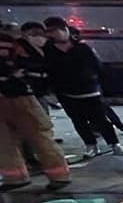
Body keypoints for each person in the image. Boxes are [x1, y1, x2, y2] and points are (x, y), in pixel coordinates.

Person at [42, 16, 123, 158]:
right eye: (51, 31)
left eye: (59, 29)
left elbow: (97, 66)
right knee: (78, 121)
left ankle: (114, 144)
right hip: (65, 92)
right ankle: (91, 145)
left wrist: (95, 81)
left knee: (100, 119)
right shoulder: (48, 49)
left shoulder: (81, 47)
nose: (57, 33)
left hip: (89, 90)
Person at [0, 31, 71, 191]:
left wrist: (13, 77)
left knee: (39, 137)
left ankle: (59, 176)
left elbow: (33, 64)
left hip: (19, 97)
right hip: (13, 96)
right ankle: (15, 177)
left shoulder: (12, 41)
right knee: (4, 142)